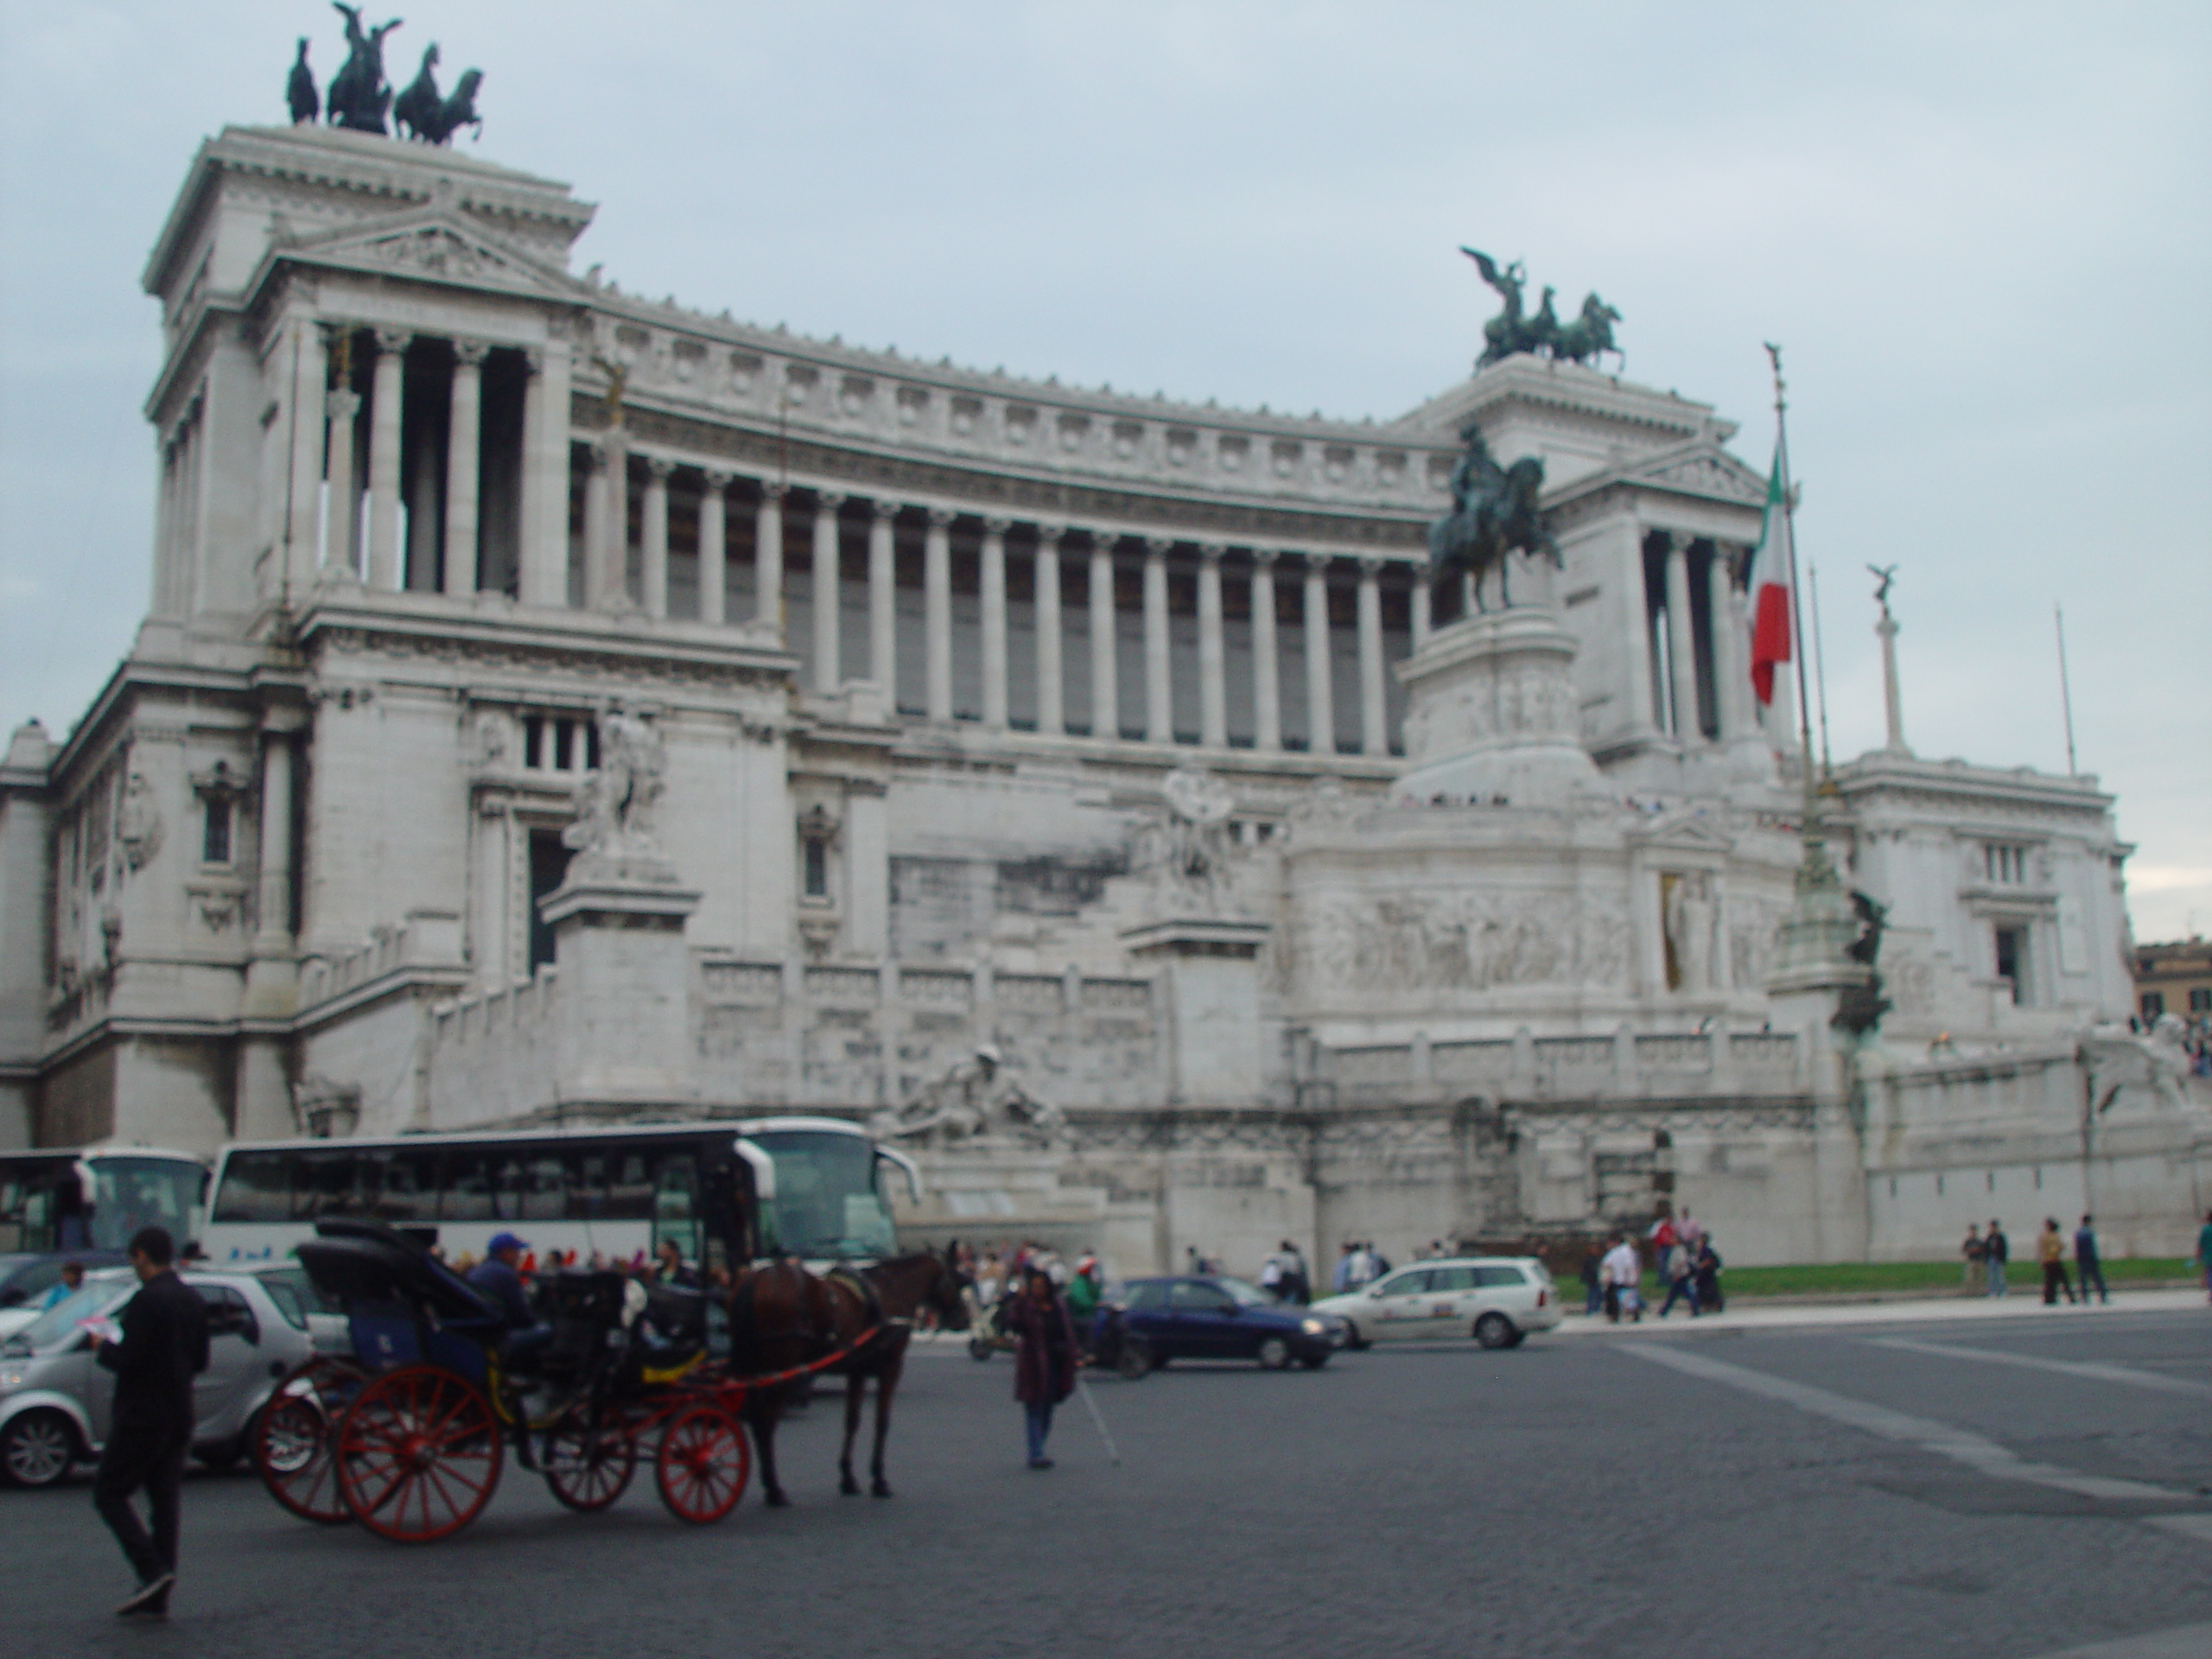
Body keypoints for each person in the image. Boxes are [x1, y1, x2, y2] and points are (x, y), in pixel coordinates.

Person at [90, 1225, 208, 1620]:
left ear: (141, 1256)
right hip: (180, 1411)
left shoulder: (146, 1301)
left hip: (142, 1413)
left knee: (109, 1492)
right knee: (165, 1500)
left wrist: (103, 1348)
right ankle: (159, 1587)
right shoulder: (192, 1299)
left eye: (133, 1259)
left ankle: (150, 1569)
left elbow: (131, 1361)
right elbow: (202, 1360)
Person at [1007, 1265, 1078, 1469]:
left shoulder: (1058, 1305)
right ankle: (1036, 1453)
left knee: (1047, 1409)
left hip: (1056, 1363)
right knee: (1034, 1409)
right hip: (1034, 1365)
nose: (1038, 1290)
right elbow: (1014, 1323)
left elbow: (1067, 1331)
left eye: (1041, 1286)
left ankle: (1039, 1447)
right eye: (1034, 1286)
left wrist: (1074, 1354)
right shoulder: (1026, 1306)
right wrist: (1019, 1301)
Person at [467, 1232, 553, 1369]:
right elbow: (522, 1317)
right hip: (495, 1339)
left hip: (480, 1334)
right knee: (546, 1330)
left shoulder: (478, 1270)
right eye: (517, 1251)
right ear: (507, 1253)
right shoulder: (505, 1273)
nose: (520, 1256)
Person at [1600, 1234, 1643, 1324]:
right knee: (1626, 1297)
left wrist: (1628, 1278)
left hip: (1622, 1279)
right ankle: (1631, 1313)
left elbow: (1628, 1266)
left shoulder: (1623, 1251)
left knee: (1623, 1297)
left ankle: (1623, 1314)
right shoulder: (1621, 1251)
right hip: (1622, 1278)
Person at [2037, 1218, 2076, 1306]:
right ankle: (2071, 1297)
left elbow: (2041, 1249)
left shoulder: (2044, 1236)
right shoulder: (2055, 1236)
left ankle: (2049, 1298)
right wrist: (2059, 1249)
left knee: (2049, 1281)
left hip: (2047, 1261)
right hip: (2055, 1261)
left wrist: (2041, 1260)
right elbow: (2058, 1248)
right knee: (2064, 1280)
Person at [1658, 1238, 1700, 1318]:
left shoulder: (1680, 1249)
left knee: (1681, 1293)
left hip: (1680, 1275)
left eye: (1673, 1239)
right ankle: (1664, 1311)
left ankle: (1695, 1308)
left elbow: (1681, 1262)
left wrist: (1677, 1274)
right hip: (1678, 1275)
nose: (1670, 1241)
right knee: (1673, 1294)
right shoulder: (1675, 1249)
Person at [2074, 1215, 2109, 1306]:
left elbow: (2077, 1247)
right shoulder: (2089, 1233)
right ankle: (2103, 1295)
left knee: (2083, 1279)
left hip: (2082, 1258)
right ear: (2089, 1222)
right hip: (2090, 1257)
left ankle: (2084, 1296)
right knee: (2097, 1277)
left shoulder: (2079, 1233)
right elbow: (2092, 1247)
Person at [1693, 1237, 1725, 1313]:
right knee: (1705, 1290)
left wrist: (1700, 1266)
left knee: (1708, 1290)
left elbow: (1708, 1260)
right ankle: (1708, 1305)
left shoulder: (1706, 1250)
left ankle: (1711, 1305)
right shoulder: (1702, 1251)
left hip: (1707, 1274)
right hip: (1706, 1274)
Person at [1984, 1219, 2008, 1298]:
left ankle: (2002, 1291)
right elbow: (1986, 1248)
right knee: (1991, 1276)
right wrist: (1986, 1258)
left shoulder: (2000, 1237)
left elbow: (2004, 1248)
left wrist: (2003, 1259)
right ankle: (1992, 1291)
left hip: (1999, 1258)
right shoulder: (1989, 1237)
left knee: (2000, 1276)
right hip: (1991, 1259)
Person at [1580, 1242, 1604, 1316]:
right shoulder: (1590, 1259)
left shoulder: (1594, 1258)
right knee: (1593, 1294)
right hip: (1592, 1280)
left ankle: (1594, 1308)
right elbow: (1592, 1269)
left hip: (1593, 1279)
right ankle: (1591, 1309)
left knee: (1597, 1294)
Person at [1961, 1224, 1985, 1295]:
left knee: (1979, 1277)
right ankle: (1969, 1291)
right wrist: (1970, 1251)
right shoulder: (1968, 1241)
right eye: (1972, 1231)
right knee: (1970, 1278)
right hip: (1971, 1261)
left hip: (1979, 1261)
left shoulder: (1979, 1241)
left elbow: (1983, 1250)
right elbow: (1964, 1250)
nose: (1973, 1232)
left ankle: (1979, 1291)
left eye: (1974, 1231)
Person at [2196, 1209, 2212, 1305]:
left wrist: (2197, 1256)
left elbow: (2201, 1244)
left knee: (2210, 1275)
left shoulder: (2206, 1230)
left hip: (2209, 1257)